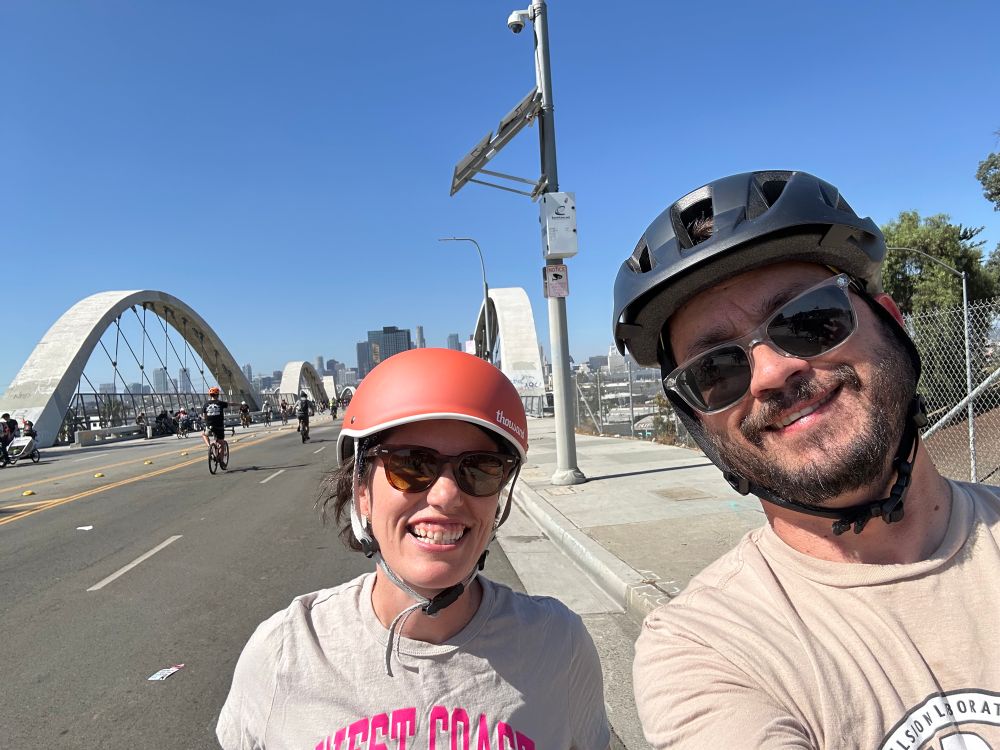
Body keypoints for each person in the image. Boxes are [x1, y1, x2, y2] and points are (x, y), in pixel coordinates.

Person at [613, 170, 1000, 748]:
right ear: (700, 424)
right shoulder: (707, 650)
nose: (772, 373)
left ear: (891, 323)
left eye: (808, 320)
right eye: (715, 371)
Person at [216, 348, 610, 749]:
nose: (446, 494)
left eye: (480, 468)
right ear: (362, 492)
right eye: (410, 464)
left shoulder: (559, 646)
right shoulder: (285, 652)